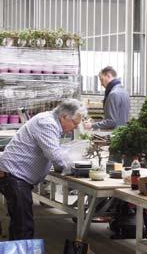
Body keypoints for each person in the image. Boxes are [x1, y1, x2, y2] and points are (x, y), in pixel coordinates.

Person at [0, 98, 84, 240]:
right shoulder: (47, 123)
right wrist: (77, 168)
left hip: (16, 175)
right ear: (64, 116)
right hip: (15, 176)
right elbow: (55, 155)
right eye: (75, 123)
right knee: (23, 226)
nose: (75, 127)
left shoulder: (50, 121)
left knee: (21, 223)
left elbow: (54, 156)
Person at [84, 66, 130, 130]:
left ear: (108, 76)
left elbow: (111, 121)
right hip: (122, 132)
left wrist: (92, 125)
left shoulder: (113, 94)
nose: (101, 84)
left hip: (114, 133)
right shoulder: (124, 92)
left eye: (101, 80)